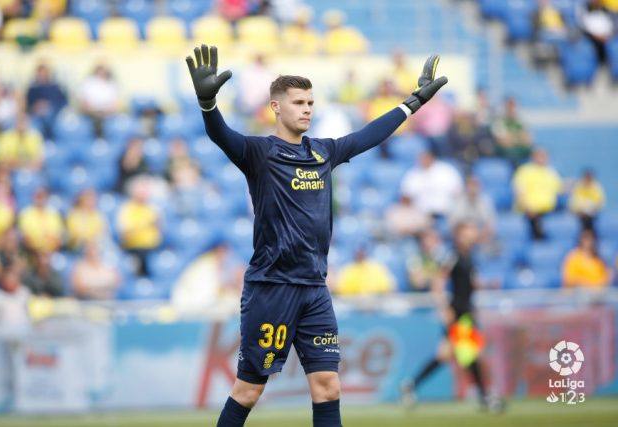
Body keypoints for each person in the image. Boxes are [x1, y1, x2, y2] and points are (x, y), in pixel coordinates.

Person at [185, 44, 447, 426]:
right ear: (276, 107)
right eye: (298, 102)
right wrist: (208, 104)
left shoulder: (323, 151)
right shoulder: (260, 153)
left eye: (310, 102)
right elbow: (221, 135)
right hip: (272, 288)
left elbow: (369, 135)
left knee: (328, 386)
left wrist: (413, 102)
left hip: (314, 288)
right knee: (249, 390)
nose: (307, 108)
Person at [401, 222, 502, 412]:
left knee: (446, 354)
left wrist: (487, 285)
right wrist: (443, 308)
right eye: (468, 232)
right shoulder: (453, 256)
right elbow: (439, 281)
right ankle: (485, 397)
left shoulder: (468, 256)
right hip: (458, 313)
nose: (472, 235)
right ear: (459, 235)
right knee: (472, 355)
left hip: (465, 312)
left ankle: (411, 385)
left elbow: (471, 283)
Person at [512, 149, 562, 240]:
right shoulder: (524, 171)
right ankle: (539, 243)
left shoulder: (551, 173)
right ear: (533, 157)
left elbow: (560, 189)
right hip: (529, 211)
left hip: (548, 211)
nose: (542, 159)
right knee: (535, 221)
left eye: (544, 156)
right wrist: (527, 207)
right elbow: (519, 192)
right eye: (540, 156)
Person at [116, 181, 162, 276]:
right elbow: (125, 234)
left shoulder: (153, 208)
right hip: (134, 249)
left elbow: (159, 229)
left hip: (152, 248)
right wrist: (144, 225)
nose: (144, 195)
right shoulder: (127, 209)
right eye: (141, 192)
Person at [400, 151, 463, 218]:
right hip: (422, 215)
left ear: (432, 158)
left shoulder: (446, 170)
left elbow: (458, 191)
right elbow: (406, 195)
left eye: (426, 158)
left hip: (447, 212)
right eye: (422, 159)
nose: (424, 161)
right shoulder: (413, 173)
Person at [448, 176, 496, 245]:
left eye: (475, 186)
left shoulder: (485, 201)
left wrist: (479, 234)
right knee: (465, 236)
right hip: (462, 234)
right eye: (471, 186)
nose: (473, 189)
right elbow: (453, 223)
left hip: (480, 235)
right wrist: (467, 230)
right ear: (466, 187)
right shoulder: (458, 201)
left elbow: (490, 224)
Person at [26, 62, 68, 139]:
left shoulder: (55, 87)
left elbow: (63, 102)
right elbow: (27, 104)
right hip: (36, 114)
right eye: (40, 73)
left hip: (53, 112)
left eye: (44, 73)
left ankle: (50, 139)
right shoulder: (32, 88)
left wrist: (49, 105)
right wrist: (35, 107)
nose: (42, 75)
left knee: (50, 117)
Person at [79, 64, 121, 137]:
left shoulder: (112, 84)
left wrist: (106, 111)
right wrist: (93, 111)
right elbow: (83, 103)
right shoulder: (88, 83)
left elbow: (115, 105)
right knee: (96, 121)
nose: (102, 73)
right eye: (100, 71)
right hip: (91, 113)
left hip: (107, 113)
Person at [18, 187, 64, 253]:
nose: (40, 199)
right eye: (38, 196)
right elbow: (26, 238)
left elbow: (58, 237)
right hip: (32, 252)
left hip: (51, 252)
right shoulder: (25, 213)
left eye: (42, 196)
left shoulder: (54, 213)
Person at [405, 227, 452, 292]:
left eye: (431, 240)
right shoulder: (415, 258)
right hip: (420, 294)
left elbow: (444, 276)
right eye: (424, 240)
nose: (427, 243)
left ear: (437, 241)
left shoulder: (445, 256)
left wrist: (428, 277)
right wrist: (433, 278)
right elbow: (418, 282)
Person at [492, 96, 532, 167]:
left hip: (520, 149)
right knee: (511, 153)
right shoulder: (499, 121)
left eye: (514, 105)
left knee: (533, 151)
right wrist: (519, 137)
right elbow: (504, 142)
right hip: (505, 151)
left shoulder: (520, 121)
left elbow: (527, 140)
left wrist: (512, 137)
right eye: (510, 105)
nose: (512, 108)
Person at [568, 169, 605, 234]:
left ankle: (592, 237)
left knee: (590, 221)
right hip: (580, 213)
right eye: (586, 177)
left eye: (590, 178)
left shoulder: (597, 187)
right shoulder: (578, 187)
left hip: (592, 213)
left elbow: (600, 202)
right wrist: (579, 211)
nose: (588, 180)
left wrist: (593, 209)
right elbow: (573, 203)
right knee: (584, 221)